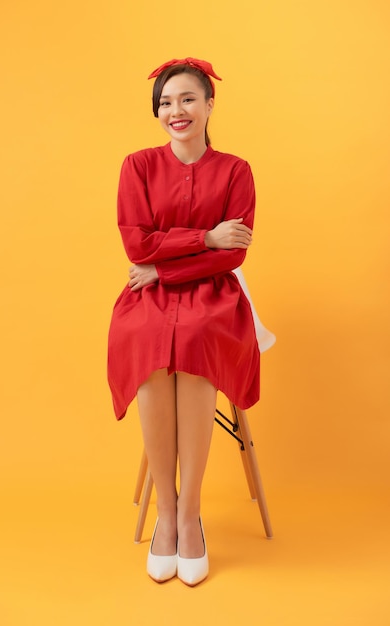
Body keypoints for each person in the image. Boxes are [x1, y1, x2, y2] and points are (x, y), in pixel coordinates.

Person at [107, 57, 260, 586]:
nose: (177, 110)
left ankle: (190, 514)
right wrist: (203, 237)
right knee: (146, 339)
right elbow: (136, 243)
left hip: (215, 295)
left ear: (209, 105)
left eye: (188, 99)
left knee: (195, 342)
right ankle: (165, 516)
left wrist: (163, 266)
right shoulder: (137, 166)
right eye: (166, 102)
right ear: (158, 112)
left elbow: (232, 256)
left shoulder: (236, 170)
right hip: (147, 297)